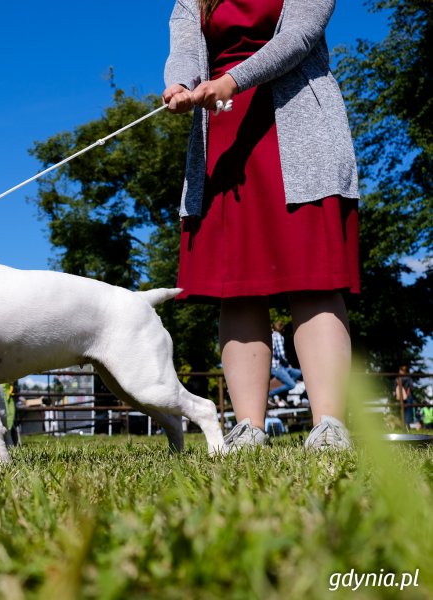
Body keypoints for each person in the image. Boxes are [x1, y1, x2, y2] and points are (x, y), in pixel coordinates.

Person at [163, 0, 359, 449]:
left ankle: (329, 425)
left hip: (297, 126)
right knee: (236, 285)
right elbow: (187, 46)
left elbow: (298, 39)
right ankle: (247, 428)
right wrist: (178, 83)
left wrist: (232, 80)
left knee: (314, 280)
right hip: (225, 138)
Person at [269, 320, 302, 404]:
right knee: (292, 385)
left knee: (298, 373)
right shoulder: (278, 336)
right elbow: (281, 354)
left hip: (280, 366)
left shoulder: (272, 335)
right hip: (276, 367)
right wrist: (288, 364)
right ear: (282, 329)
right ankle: (270, 394)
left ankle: (282, 390)